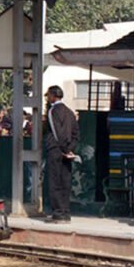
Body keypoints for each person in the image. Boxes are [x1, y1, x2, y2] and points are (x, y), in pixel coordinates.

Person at [44, 85, 79, 224]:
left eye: (48, 95)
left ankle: (58, 212)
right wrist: (70, 149)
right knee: (66, 181)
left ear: (53, 96)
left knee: (55, 181)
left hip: (56, 150)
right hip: (68, 151)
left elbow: (57, 132)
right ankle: (66, 211)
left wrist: (64, 149)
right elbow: (76, 132)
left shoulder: (52, 111)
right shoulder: (70, 112)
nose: (47, 98)